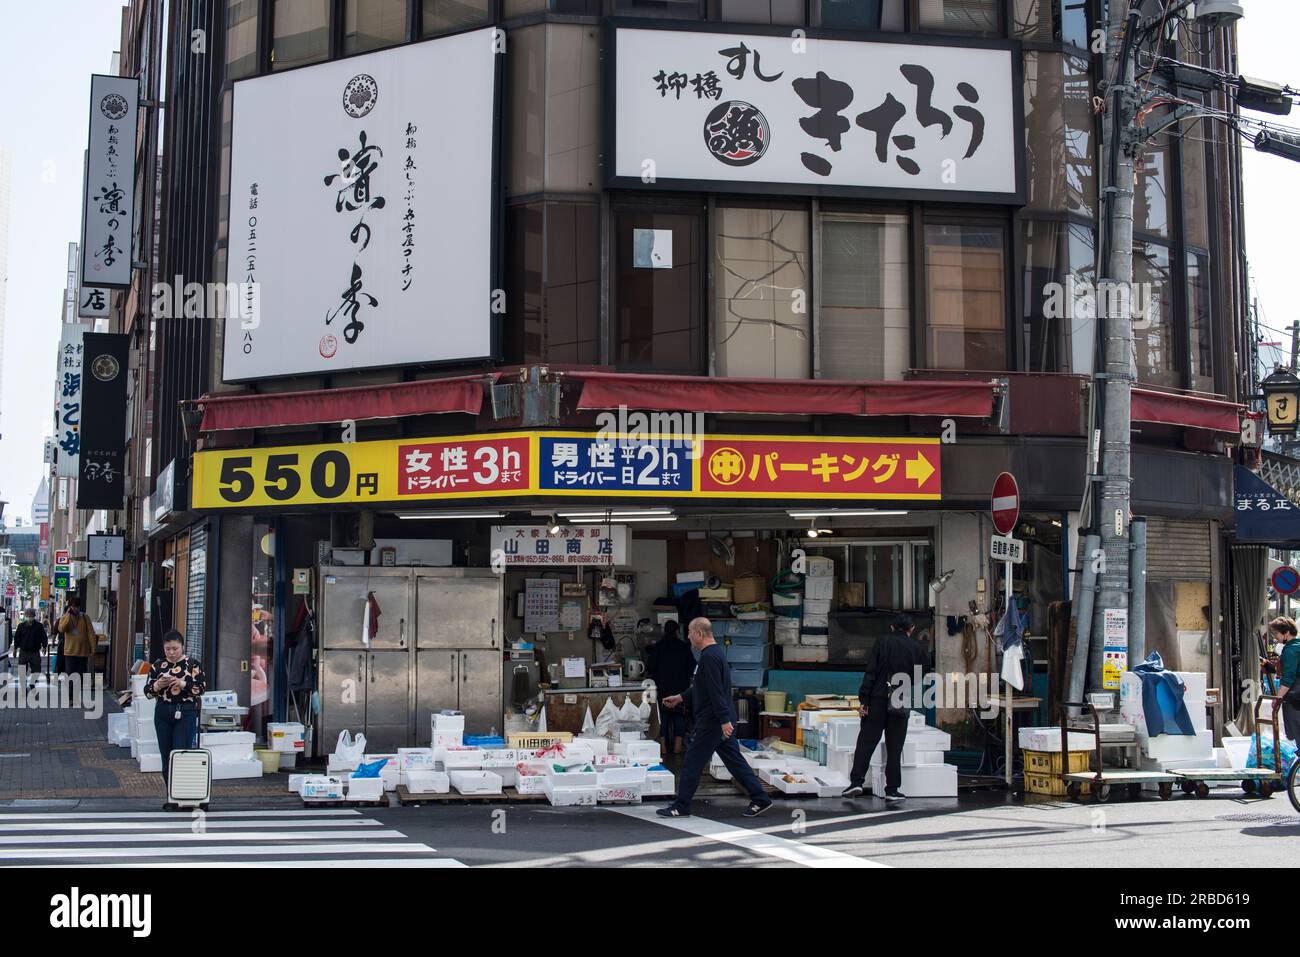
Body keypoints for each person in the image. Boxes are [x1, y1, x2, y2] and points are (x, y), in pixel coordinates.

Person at [657, 617, 773, 819]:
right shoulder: (714, 654)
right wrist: (681, 697)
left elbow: (715, 691)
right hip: (719, 720)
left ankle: (681, 805)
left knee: (692, 761)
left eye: (691, 633)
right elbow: (702, 687)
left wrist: (723, 720)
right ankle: (760, 798)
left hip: (712, 721)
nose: (689, 638)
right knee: (734, 760)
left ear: (700, 634)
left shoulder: (709, 658)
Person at [842, 614, 928, 805]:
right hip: (901, 698)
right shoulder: (917, 648)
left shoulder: (882, 642)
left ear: (891, 627)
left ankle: (856, 782)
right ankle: (892, 789)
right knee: (895, 747)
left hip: (877, 700)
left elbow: (871, 671)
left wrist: (864, 699)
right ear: (911, 628)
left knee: (866, 742)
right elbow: (922, 672)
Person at [146, 630, 208, 808]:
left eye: (175, 648)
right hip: (163, 711)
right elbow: (148, 692)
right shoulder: (158, 665)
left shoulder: (192, 664)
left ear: (182, 647)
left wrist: (182, 684)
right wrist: (158, 685)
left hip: (186, 711)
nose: (172, 653)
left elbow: (201, 688)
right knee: (166, 755)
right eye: (168, 649)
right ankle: (172, 796)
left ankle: (186, 795)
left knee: (180, 753)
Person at [645, 620, 695, 755]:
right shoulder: (684, 647)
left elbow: (650, 668)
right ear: (677, 631)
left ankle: (662, 747)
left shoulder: (658, 647)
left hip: (662, 689)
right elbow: (692, 668)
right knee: (679, 717)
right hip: (680, 689)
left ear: (664, 631)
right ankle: (678, 746)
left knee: (663, 717)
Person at [1269, 617, 1300, 744]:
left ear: (1286, 633)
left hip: (1295, 695)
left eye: (1276, 633)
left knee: (1296, 730)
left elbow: (1288, 678)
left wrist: (1277, 698)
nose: (1275, 637)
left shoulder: (1290, 650)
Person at [57, 596, 96, 677]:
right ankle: (71, 690)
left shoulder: (85, 618)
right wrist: (68, 616)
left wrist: (93, 648)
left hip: (83, 652)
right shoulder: (65, 617)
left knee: (81, 675)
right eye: (73, 606)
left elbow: (91, 633)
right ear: (70, 607)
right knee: (70, 675)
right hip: (70, 652)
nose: (75, 609)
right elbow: (61, 629)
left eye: (77, 606)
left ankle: (77, 690)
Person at [13, 609, 47, 687]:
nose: (29, 618)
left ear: (34, 616)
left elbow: (43, 637)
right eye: (28, 616)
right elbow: (17, 638)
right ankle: (23, 686)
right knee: (22, 670)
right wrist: (15, 649)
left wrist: (44, 646)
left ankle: (32, 683)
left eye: (31, 616)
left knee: (36, 670)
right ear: (25, 616)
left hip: (35, 652)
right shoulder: (21, 626)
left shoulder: (39, 626)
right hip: (23, 652)